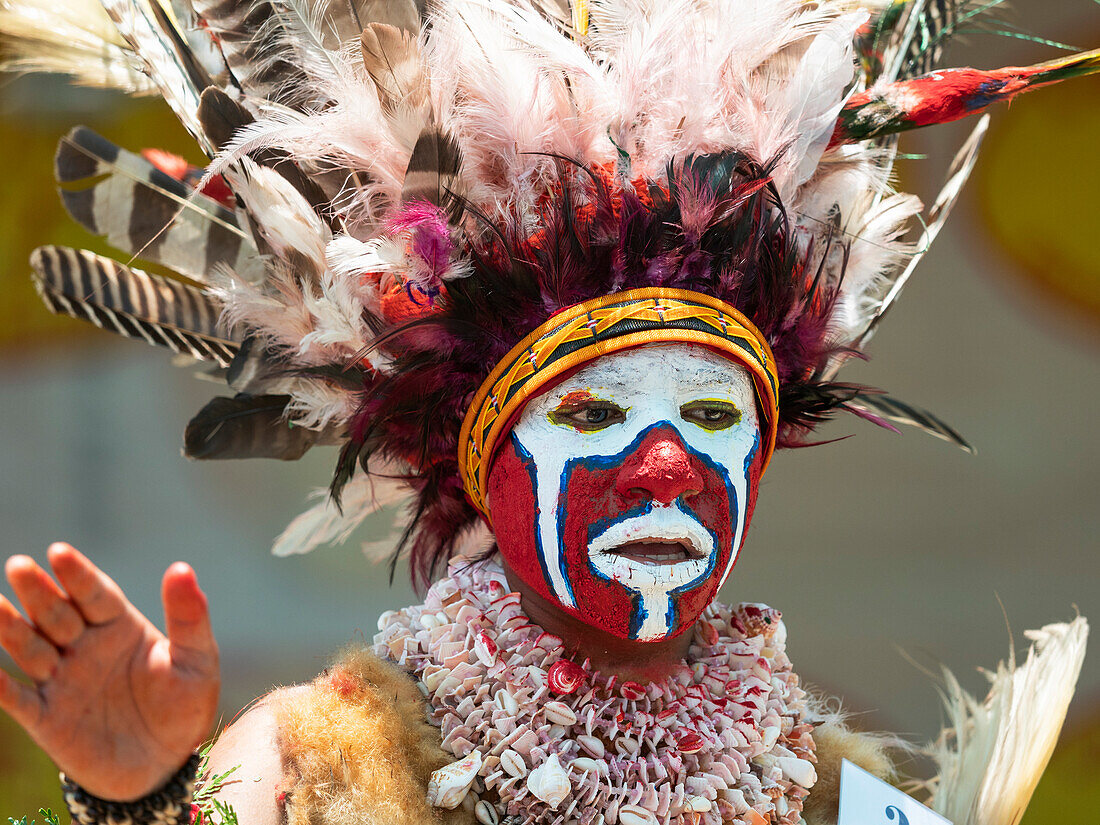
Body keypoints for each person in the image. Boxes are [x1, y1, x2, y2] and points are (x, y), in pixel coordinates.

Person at [0, 0, 1095, 823]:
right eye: (585, 420)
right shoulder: (319, 763)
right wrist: (140, 795)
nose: (664, 467)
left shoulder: (843, 799)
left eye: (714, 418)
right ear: (484, 468)